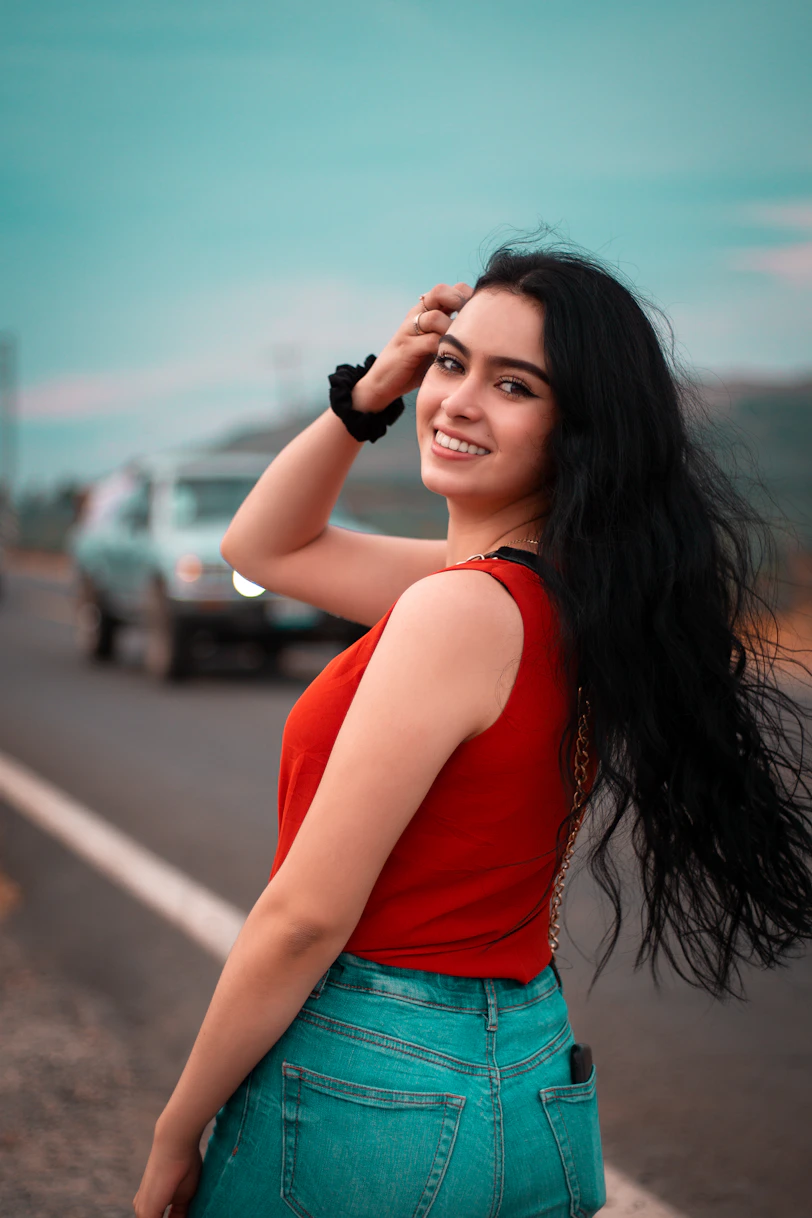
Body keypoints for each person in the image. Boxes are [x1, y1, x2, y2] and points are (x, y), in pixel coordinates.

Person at [133, 239, 812, 1218]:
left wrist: (174, 1127)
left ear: (576, 428)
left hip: (380, 1081)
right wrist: (367, 395)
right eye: (450, 363)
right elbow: (263, 546)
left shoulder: (459, 615)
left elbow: (302, 920)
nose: (454, 401)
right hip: (527, 1068)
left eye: (514, 385)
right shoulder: (557, 597)